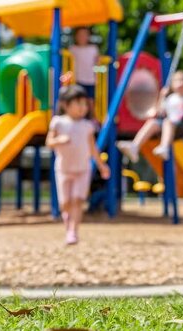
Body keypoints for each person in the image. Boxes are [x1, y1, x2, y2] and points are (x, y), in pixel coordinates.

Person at [46, 85, 110, 245]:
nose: (82, 108)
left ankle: (73, 232)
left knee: (77, 200)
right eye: (78, 103)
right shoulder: (58, 122)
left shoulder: (87, 125)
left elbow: (93, 148)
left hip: (83, 169)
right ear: (66, 105)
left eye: (84, 104)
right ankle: (67, 218)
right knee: (65, 203)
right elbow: (49, 142)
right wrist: (58, 140)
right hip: (63, 169)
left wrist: (102, 166)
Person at [117, 71, 183, 162]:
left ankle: (164, 148)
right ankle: (135, 146)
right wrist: (162, 97)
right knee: (153, 122)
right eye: (178, 80)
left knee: (168, 121)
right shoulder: (171, 98)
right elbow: (158, 112)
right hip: (169, 128)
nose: (181, 83)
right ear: (172, 84)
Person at [69, 27, 100, 118]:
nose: (82, 37)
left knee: (90, 101)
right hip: (77, 79)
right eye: (80, 35)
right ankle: (79, 118)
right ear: (76, 37)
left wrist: (99, 61)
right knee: (79, 100)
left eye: (84, 35)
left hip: (90, 79)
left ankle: (92, 118)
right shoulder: (73, 49)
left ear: (88, 37)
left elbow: (97, 61)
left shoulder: (93, 48)